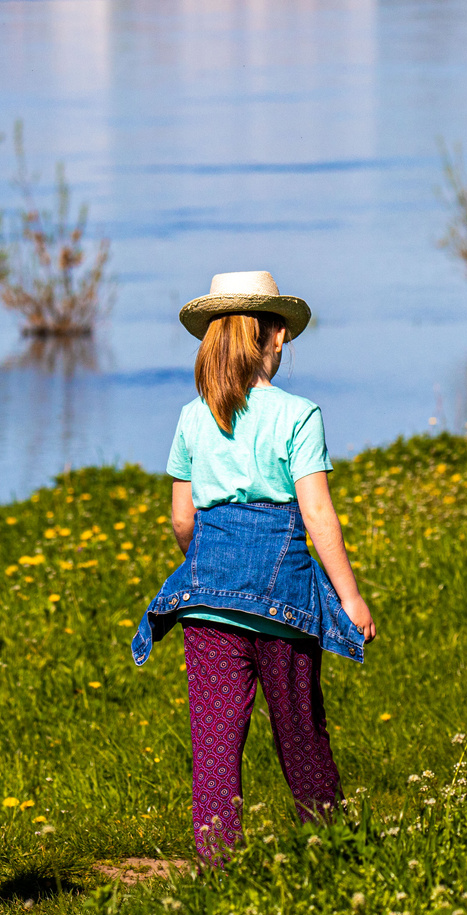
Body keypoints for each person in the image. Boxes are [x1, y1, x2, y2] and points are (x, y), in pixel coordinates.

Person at [132, 271, 376, 863]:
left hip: (207, 596)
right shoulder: (298, 414)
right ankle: (331, 851)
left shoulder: (193, 417)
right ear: (279, 336)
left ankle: (218, 868)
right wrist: (349, 596)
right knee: (300, 732)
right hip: (284, 599)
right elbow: (317, 514)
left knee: (215, 741)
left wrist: (213, 568)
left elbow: (183, 519)